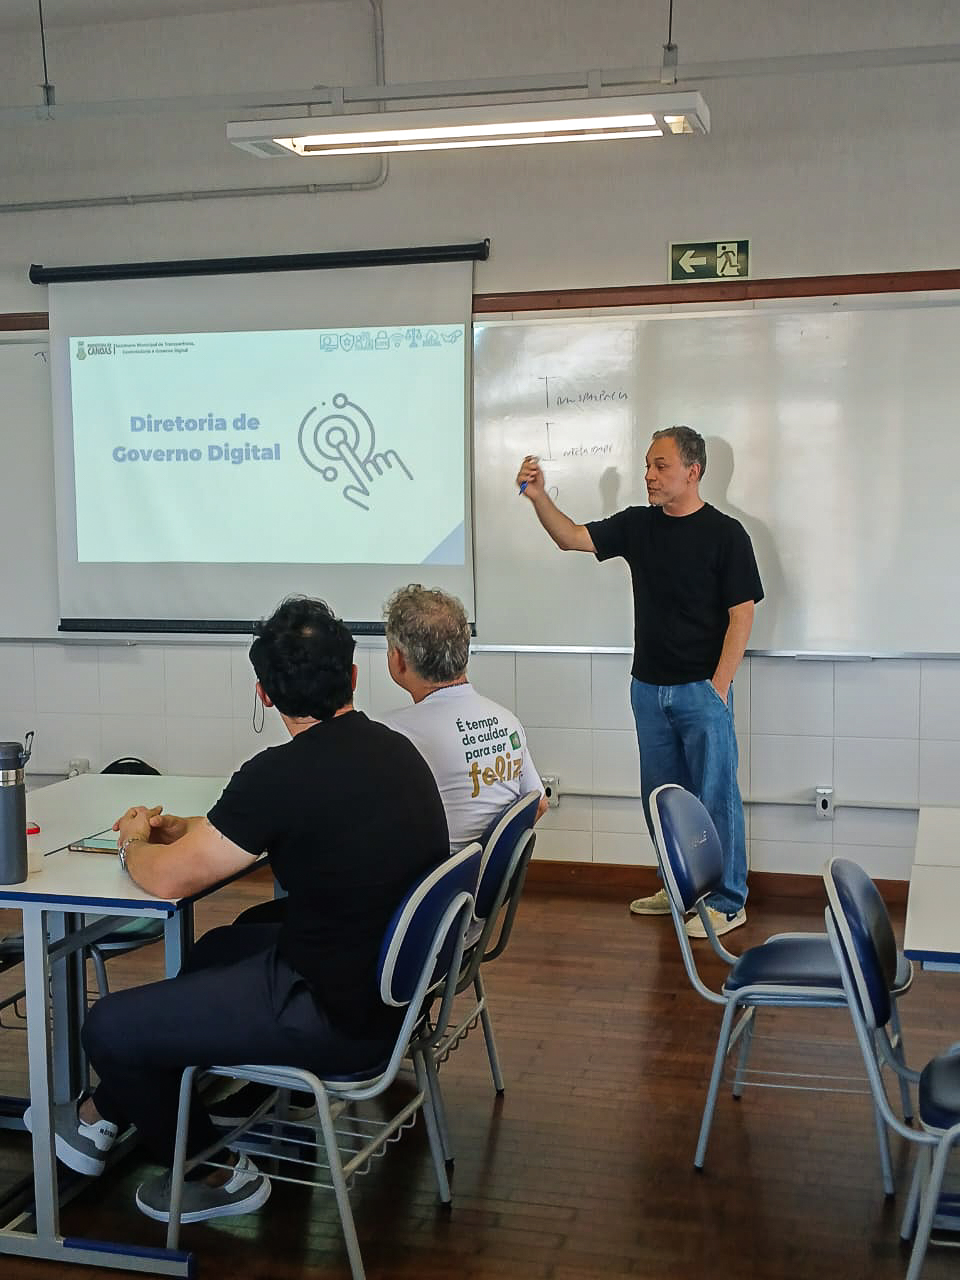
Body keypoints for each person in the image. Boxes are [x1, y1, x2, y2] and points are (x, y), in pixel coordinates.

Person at [25, 597, 449, 1223]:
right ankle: (107, 1112)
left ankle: (215, 1173)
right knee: (218, 948)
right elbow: (257, 829)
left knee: (108, 1027)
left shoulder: (280, 773)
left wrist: (134, 840)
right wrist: (185, 830)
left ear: (264, 694)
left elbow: (168, 880)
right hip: (390, 994)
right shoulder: (394, 750)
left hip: (332, 1015)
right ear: (354, 675)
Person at [516, 426, 762, 938]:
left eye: (660, 465)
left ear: (693, 471)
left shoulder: (726, 534)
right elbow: (571, 537)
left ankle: (728, 901)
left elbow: (742, 615)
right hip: (648, 689)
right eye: (647, 465)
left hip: (702, 690)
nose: (648, 475)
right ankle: (678, 888)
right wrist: (538, 497)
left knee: (715, 796)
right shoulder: (638, 525)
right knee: (662, 799)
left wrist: (718, 688)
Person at [379, 584, 547, 850]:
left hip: (429, 874)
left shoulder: (389, 733)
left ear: (398, 659)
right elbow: (538, 804)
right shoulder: (507, 722)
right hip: (478, 874)